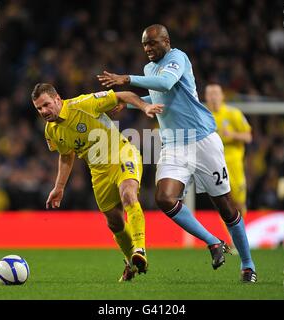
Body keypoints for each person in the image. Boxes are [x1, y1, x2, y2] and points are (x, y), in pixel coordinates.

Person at [98, 24, 256, 282]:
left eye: (152, 43)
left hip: (203, 140)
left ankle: (248, 265)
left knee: (226, 206)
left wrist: (127, 79)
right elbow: (161, 99)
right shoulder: (149, 69)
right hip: (174, 145)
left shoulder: (177, 58)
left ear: (166, 42)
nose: (148, 49)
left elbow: (166, 82)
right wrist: (129, 102)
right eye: (144, 45)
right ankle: (214, 242)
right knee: (164, 198)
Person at [31, 83, 164, 281]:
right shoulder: (51, 131)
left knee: (128, 194)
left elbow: (124, 95)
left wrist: (144, 107)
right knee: (115, 222)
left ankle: (140, 249)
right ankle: (132, 263)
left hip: (122, 154)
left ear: (57, 99)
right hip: (98, 171)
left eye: (46, 105)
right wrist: (59, 187)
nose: (43, 111)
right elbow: (66, 156)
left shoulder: (83, 103)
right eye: (39, 108)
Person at [204, 84, 252, 216]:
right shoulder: (203, 116)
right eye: (210, 94)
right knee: (223, 202)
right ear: (206, 97)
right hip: (214, 164)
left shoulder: (233, 113)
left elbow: (248, 137)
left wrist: (232, 135)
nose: (213, 97)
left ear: (222, 96)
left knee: (239, 202)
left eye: (216, 93)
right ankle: (231, 235)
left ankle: (242, 232)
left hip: (234, 163)